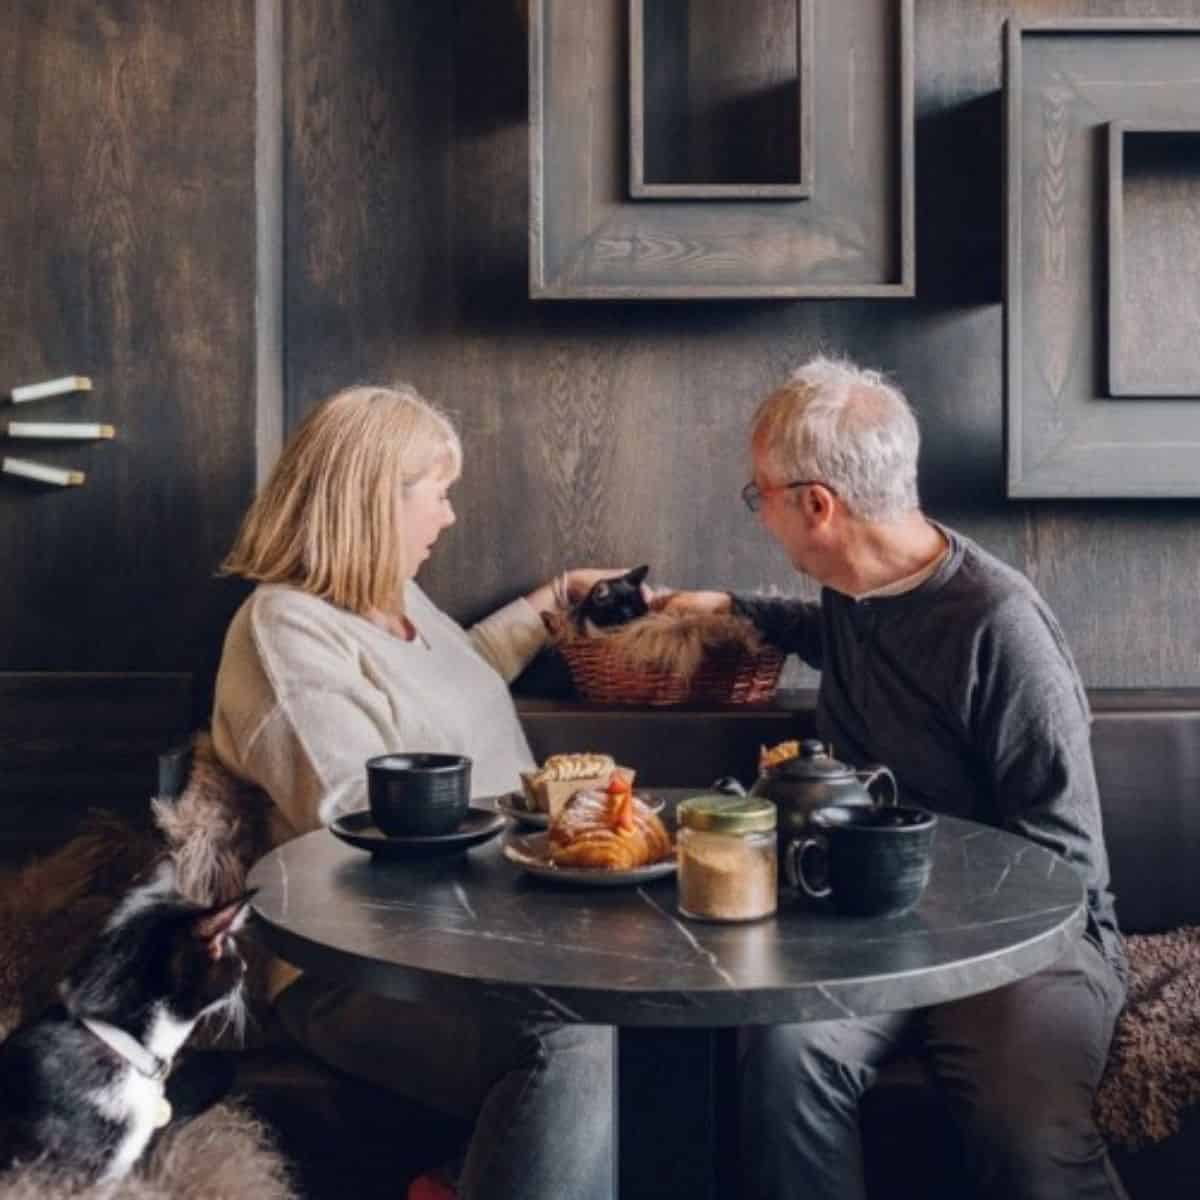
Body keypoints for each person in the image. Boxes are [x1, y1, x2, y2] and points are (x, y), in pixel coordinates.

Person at [662, 357, 1127, 1200]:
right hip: (867, 922)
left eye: (757, 493)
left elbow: (1065, 862)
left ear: (818, 506)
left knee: (1023, 1131)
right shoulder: (854, 590)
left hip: (1027, 942)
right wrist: (724, 608)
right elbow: (845, 636)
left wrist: (932, 920)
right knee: (782, 1056)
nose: (755, 511)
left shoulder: (1001, 628)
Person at [210, 383, 623, 1200]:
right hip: (361, 971)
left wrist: (549, 607)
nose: (450, 517)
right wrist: (540, 847)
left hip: (487, 937)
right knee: (571, 1042)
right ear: (373, 501)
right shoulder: (283, 627)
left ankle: (457, 1182)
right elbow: (356, 816)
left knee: (661, 1026)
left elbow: (447, 679)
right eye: (438, 493)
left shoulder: (401, 604)